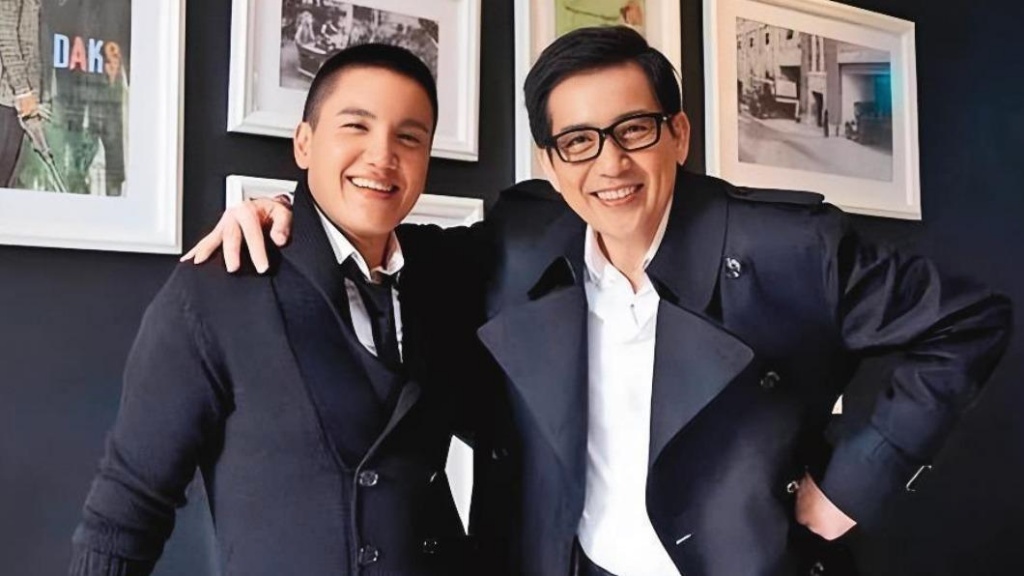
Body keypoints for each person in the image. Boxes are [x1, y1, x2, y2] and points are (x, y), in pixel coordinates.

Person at [185, 27, 1012, 576]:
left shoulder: (789, 248)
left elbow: (969, 321)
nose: (609, 165)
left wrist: (854, 482)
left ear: (678, 135)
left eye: (634, 130)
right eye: (578, 142)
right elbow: (384, 238)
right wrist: (286, 216)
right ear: (550, 162)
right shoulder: (523, 238)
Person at [70, 44, 481, 576]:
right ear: (304, 143)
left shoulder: (444, 270)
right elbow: (125, 510)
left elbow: (550, 219)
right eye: (356, 126)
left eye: (409, 137)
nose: (382, 155)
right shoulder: (220, 284)